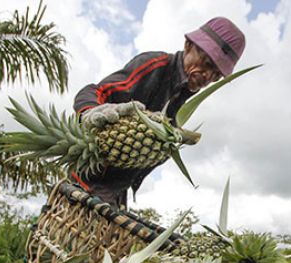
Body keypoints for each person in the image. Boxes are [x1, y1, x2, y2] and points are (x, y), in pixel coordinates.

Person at [72, 17, 246, 207]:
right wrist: (91, 111)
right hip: (84, 184)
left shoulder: (182, 101)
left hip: (114, 195)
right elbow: (94, 91)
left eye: (216, 74)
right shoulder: (155, 66)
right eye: (206, 63)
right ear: (188, 45)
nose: (207, 76)